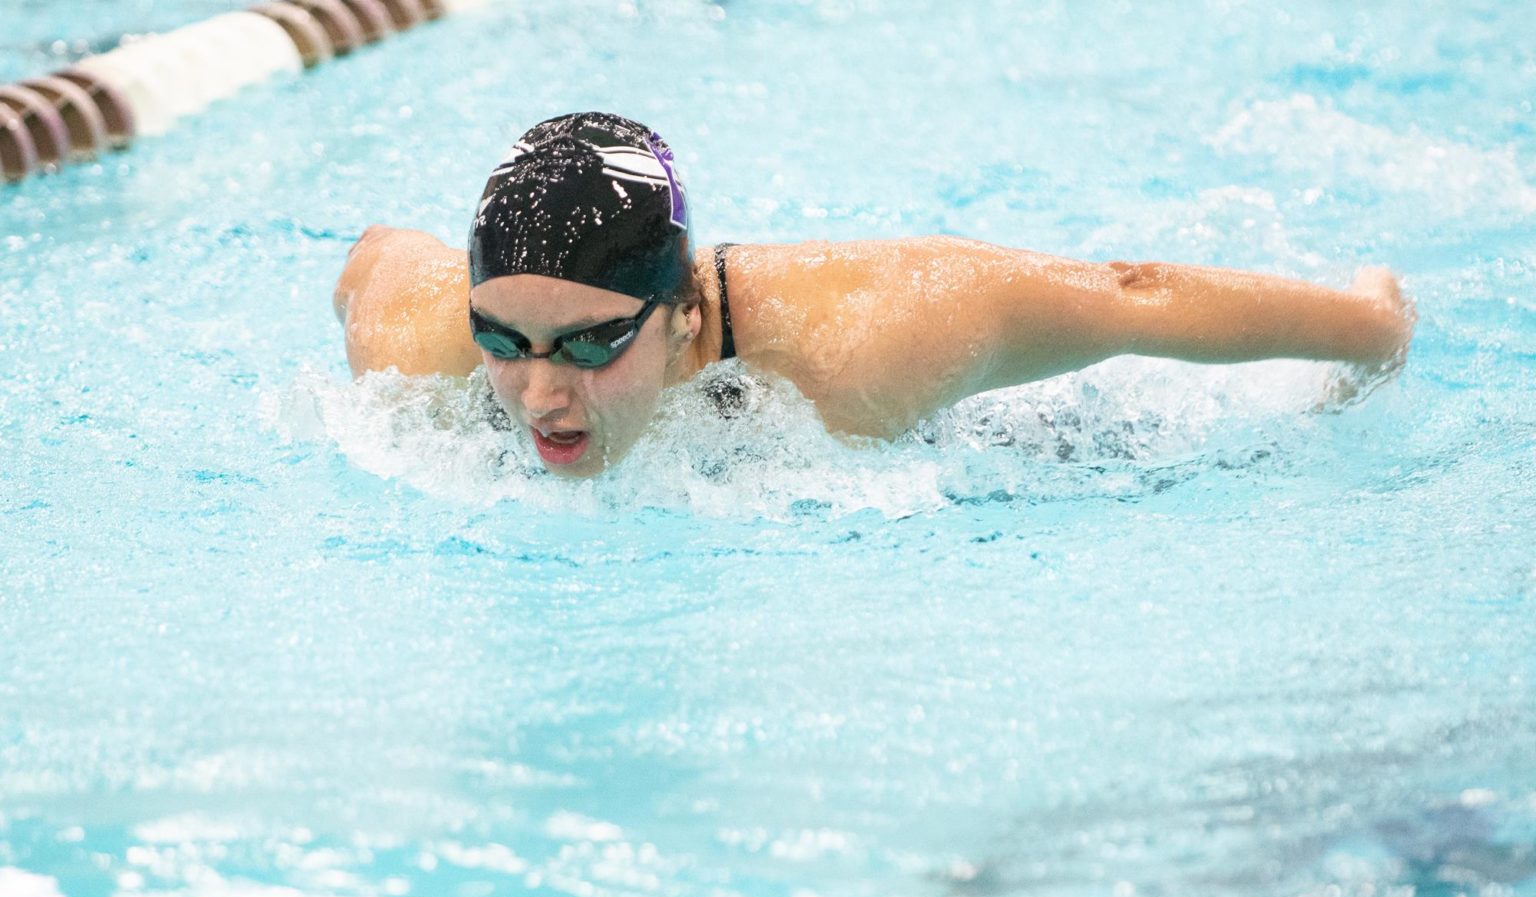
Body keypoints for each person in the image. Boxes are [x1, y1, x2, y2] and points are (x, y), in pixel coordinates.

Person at [333, 112, 1415, 478]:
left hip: (989, 442)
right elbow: (372, 256)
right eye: (504, 339)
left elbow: (1130, 295)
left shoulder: (875, 335)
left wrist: (1370, 327)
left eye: (587, 344)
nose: (535, 393)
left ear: (686, 315)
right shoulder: (415, 339)